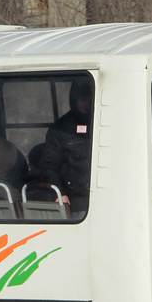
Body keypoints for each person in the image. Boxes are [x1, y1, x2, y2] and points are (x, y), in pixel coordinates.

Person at [37, 77, 93, 217]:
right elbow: (49, 166)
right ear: (74, 100)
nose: (87, 104)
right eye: (83, 99)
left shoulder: (106, 122)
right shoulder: (60, 129)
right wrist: (60, 193)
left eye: (90, 99)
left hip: (108, 197)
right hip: (76, 201)